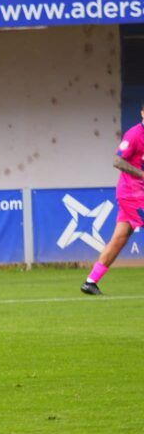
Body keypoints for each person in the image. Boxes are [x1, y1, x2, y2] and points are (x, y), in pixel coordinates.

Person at [80, 104, 144, 295]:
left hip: (138, 194)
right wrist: (141, 174)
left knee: (119, 238)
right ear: (142, 112)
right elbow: (117, 160)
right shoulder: (134, 134)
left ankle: (90, 282)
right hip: (131, 193)